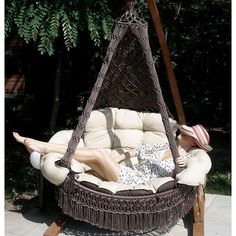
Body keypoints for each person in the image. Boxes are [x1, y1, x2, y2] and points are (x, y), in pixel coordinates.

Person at [12, 124, 212, 186]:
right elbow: (136, 151)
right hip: (124, 171)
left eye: (186, 134)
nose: (180, 133)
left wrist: (183, 161)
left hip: (131, 180)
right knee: (94, 153)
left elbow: (188, 166)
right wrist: (114, 160)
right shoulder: (164, 145)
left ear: (193, 142)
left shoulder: (185, 157)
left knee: (97, 153)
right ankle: (41, 146)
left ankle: (43, 147)